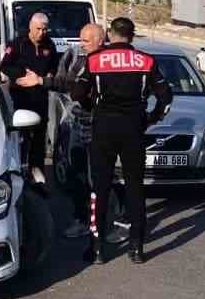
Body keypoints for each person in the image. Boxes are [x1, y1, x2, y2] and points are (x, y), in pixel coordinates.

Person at [72, 16, 173, 265]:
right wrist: (152, 118)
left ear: (110, 34)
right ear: (132, 35)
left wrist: (92, 106)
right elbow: (166, 98)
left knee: (100, 188)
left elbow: (77, 93)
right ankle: (137, 248)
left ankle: (97, 249)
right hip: (134, 129)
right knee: (135, 187)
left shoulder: (95, 60)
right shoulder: (146, 61)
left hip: (103, 129)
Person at [47, 22, 104, 240]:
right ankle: (81, 218)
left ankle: (103, 221)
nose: (82, 45)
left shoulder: (105, 62)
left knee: (98, 178)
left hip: (98, 127)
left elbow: (78, 89)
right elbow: (64, 81)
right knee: (74, 174)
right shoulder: (76, 55)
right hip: (75, 123)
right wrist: (45, 81)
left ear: (100, 40)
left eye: (86, 41)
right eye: (81, 40)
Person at [1, 11, 61, 186]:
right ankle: (19, 170)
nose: (41, 33)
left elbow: (54, 66)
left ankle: (37, 174)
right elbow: (5, 66)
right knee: (21, 137)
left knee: (39, 137)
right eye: (38, 29)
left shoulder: (49, 44)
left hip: (41, 95)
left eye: (44, 29)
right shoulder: (18, 44)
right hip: (21, 96)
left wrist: (48, 75)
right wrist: (21, 76)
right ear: (30, 27)